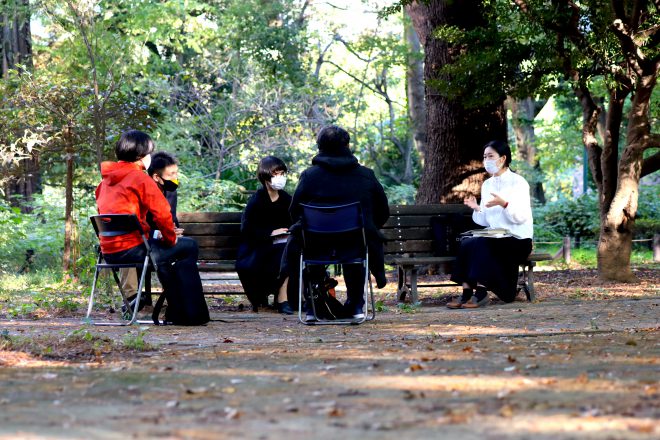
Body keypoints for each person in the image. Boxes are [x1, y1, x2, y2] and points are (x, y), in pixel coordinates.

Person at [96, 130, 208, 324]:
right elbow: (163, 213)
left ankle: (175, 311)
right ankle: (189, 313)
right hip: (134, 250)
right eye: (148, 153)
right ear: (140, 157)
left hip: (109, 253)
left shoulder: (104, 182)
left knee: (165, 257)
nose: (150, 157)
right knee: (188, 247)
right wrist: (171, 238)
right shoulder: (140, 178)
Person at [287, 125, 390, 321]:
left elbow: (294, 211)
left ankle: (312, 308)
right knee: (357, 248)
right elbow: (383, 211)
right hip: (355, 243)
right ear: (348, 146)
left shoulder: (309, 176)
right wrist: (366, 225)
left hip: (316, 245)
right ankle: (357, 306)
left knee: (310, 248)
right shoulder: (365, 175)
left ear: (320, 147)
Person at [447, 140, 533, 309]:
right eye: (485, 156)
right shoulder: (487, 185)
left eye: (491, 156)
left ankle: (481, 293)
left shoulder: (518, 182)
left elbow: (521, 218)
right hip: (496, 236)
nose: (486, 160)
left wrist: (505, 204)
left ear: (502, 158)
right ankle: (466, 293)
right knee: (467, 242)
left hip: (518, 239)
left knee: (482, 243)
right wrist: (477, 208)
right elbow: (486, 221)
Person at [118, 151, 183, 310]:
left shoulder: (170, 191)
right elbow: (140, 221)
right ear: (155, 176)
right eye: (171, 174)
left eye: (176, 173)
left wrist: (172, 230)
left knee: (177, 249)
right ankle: (135, 300)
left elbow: (169, 218)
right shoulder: (141, 188)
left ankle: (175, 300)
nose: (175, 177)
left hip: (158, 239)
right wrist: (160, 233)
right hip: (140, 240)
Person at [235, 156, 294, 315]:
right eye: (275, 173)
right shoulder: (256, 201)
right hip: (258, 247)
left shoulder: (287, 199)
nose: (279, 177)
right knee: (282, 253)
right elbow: (247, 230)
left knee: (286, 251)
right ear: (265, 176)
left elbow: (295, 221)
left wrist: (288, 232)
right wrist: (270, 233)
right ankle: (281, 299)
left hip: (282, 246)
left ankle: (282, 298)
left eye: (282, 173)